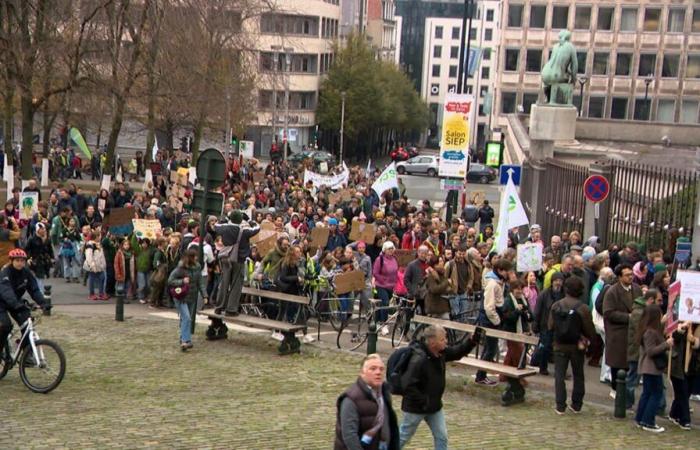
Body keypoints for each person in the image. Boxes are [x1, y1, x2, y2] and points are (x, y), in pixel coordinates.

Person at [399, 324, 479, 450]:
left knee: (442, 436)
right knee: (403, 437)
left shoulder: (441, 353)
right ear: (432, 342)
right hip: (416, 407)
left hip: (434, 406)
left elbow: (456, 352)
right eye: (442, 339)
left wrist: (471, 341)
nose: (446, 341)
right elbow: (408, 386)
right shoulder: (419, 359)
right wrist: (424, 401)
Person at [548, 276, 596, 414]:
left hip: (559, 345)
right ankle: (576, 404)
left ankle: (560, 405)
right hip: (577, 346)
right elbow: (589, 330)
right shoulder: (584, 309)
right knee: (578, 375)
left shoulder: (556, 305)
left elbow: (550, 326)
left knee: (559, 375)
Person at [334, 354, 399, 450]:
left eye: (381, 369)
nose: (378, 372)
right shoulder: (351, 399)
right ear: (362, 373)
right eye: (373, 369)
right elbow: (349, 436)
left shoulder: (384, 391)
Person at [603, 263, 642, 397]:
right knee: (617, 362)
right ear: (620, 277)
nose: (630, 277)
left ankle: (626, 390)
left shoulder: (636, 289)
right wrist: (629, 317)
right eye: (627, 275)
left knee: (629, 362)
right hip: (618, 332)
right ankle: (615, 388)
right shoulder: (612, 292)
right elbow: (608, 313)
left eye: (631, 274)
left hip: (633, 332)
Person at [0, 248, 48, 357]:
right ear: (11, 261)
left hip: (16, 302)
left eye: (22, 260)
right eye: (17, 260)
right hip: (2, 302)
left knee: (27, 323)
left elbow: (34, 290)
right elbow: (6, 291)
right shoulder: (5, 273)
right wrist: (17, 304)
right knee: (6, 325)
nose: (20, 263)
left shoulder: (26, 272)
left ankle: (26, 355)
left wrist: (43, 303)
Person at [634, 304, 673, 432]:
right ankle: (648, 421)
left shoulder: (648, 329)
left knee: (647, 393)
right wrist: (666, 345)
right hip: (651, 367)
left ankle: (640, 419)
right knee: (656, 394)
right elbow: (651, 351)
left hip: (649, 367)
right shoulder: (650, 332)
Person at [214, 210, 260, 315]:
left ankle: (219, 307)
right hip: (239, 259)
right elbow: (257, 228)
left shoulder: (224, 228)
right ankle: (231, 309)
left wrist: (225, 218)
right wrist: (249, 219)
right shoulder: (244, 231)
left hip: (226, 258)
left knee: (224, 283)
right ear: (240, 220)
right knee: (236, 285)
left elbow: (216, 225)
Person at [475, 258, 512, 386]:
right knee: (490, 349)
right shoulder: (493, 284)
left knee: (489, 348)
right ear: (500, 270)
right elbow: (489, 307)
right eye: (507, 271)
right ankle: (481, 376)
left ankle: (481, 375)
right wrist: (497, 321)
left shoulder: (499, 283)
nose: (508, 273)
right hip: (489, 320)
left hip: (492, 319)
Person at [626, 289, 660, 410]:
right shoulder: (639, 312)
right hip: (637, 351)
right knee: (632, 378)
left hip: (640, 350)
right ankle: (626, 403)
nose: (660, 303)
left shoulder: (643, 311)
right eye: (658, 300)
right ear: (651, 300)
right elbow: (642, 332)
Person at [167, 249, 208, 351]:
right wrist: (182, 281)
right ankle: (186, 341)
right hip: (181, 296)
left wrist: (205, 295)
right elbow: (170, 280)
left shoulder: (197, 267)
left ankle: (182, 338)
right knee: (187, 318)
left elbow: (200, 282)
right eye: (195, 256)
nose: (196, 258)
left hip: (192, 296)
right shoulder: (180, 268)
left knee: (185, 318)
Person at [372, 241, 398, 323]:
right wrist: (383, 280)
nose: (391, 250)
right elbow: (375, 273)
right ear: (384, 250)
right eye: (389, 249)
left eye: (392, 248)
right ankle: (384, 322)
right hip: (381, 286)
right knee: (385, 303)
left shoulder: (394, 259)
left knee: (383, 304)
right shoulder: (379, 259)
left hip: (391, 286)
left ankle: (377, 320)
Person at [83, 233, 108, 301]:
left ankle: (101, 293)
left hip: (100, 265)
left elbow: (101, 256)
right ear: (96, 237)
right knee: (92, 279)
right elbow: (89, 256)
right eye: (99, 235)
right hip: (93, 265)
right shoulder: (90, 245)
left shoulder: (98, 244)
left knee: (102, 278)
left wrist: (103, 264)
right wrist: (92, 265)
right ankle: (91, 294)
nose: (100, 237)